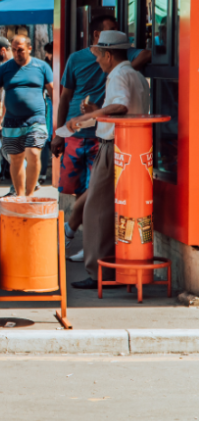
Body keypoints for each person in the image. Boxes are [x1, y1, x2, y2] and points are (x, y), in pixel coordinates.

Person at [64, 31, 150, 290]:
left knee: (96, 210)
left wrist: (86, 117)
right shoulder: (135, 75)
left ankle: (99, 271)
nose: (98, 61)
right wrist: (95, 114)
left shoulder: (118, 75)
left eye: (99, 56)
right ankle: (110, 266)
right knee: (109, 210)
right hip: (132, 148)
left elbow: (121, 106)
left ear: (108, 55)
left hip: (115, 146)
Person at [0, 36, 53, 198]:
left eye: (20, 50)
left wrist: (59, 119)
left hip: (36, 119)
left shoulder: (42, 67)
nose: (16, 53)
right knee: (16, 159)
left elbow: (53, 92)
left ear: (29, 48)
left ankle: (29, 195)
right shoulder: (4, 68)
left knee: (34, 153)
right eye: (13, 50)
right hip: (12, 122)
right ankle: (20, 196)